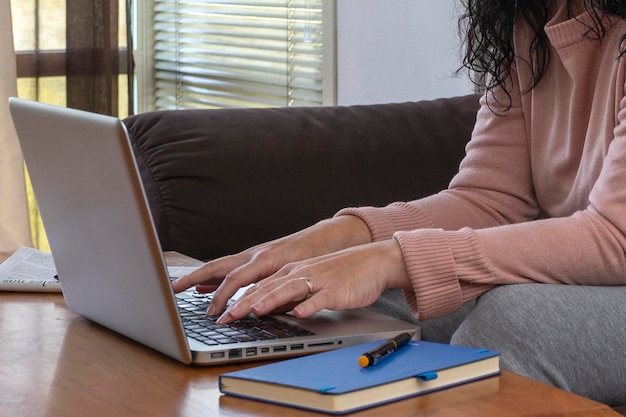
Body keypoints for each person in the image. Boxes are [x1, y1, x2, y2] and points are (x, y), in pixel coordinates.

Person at [173, 0, 626, 406]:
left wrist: (394, 258)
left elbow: (616, 235)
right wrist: (325, 245)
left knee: (519, 322)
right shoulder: (527, 16)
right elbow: (491, 198)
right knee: (366, 306)